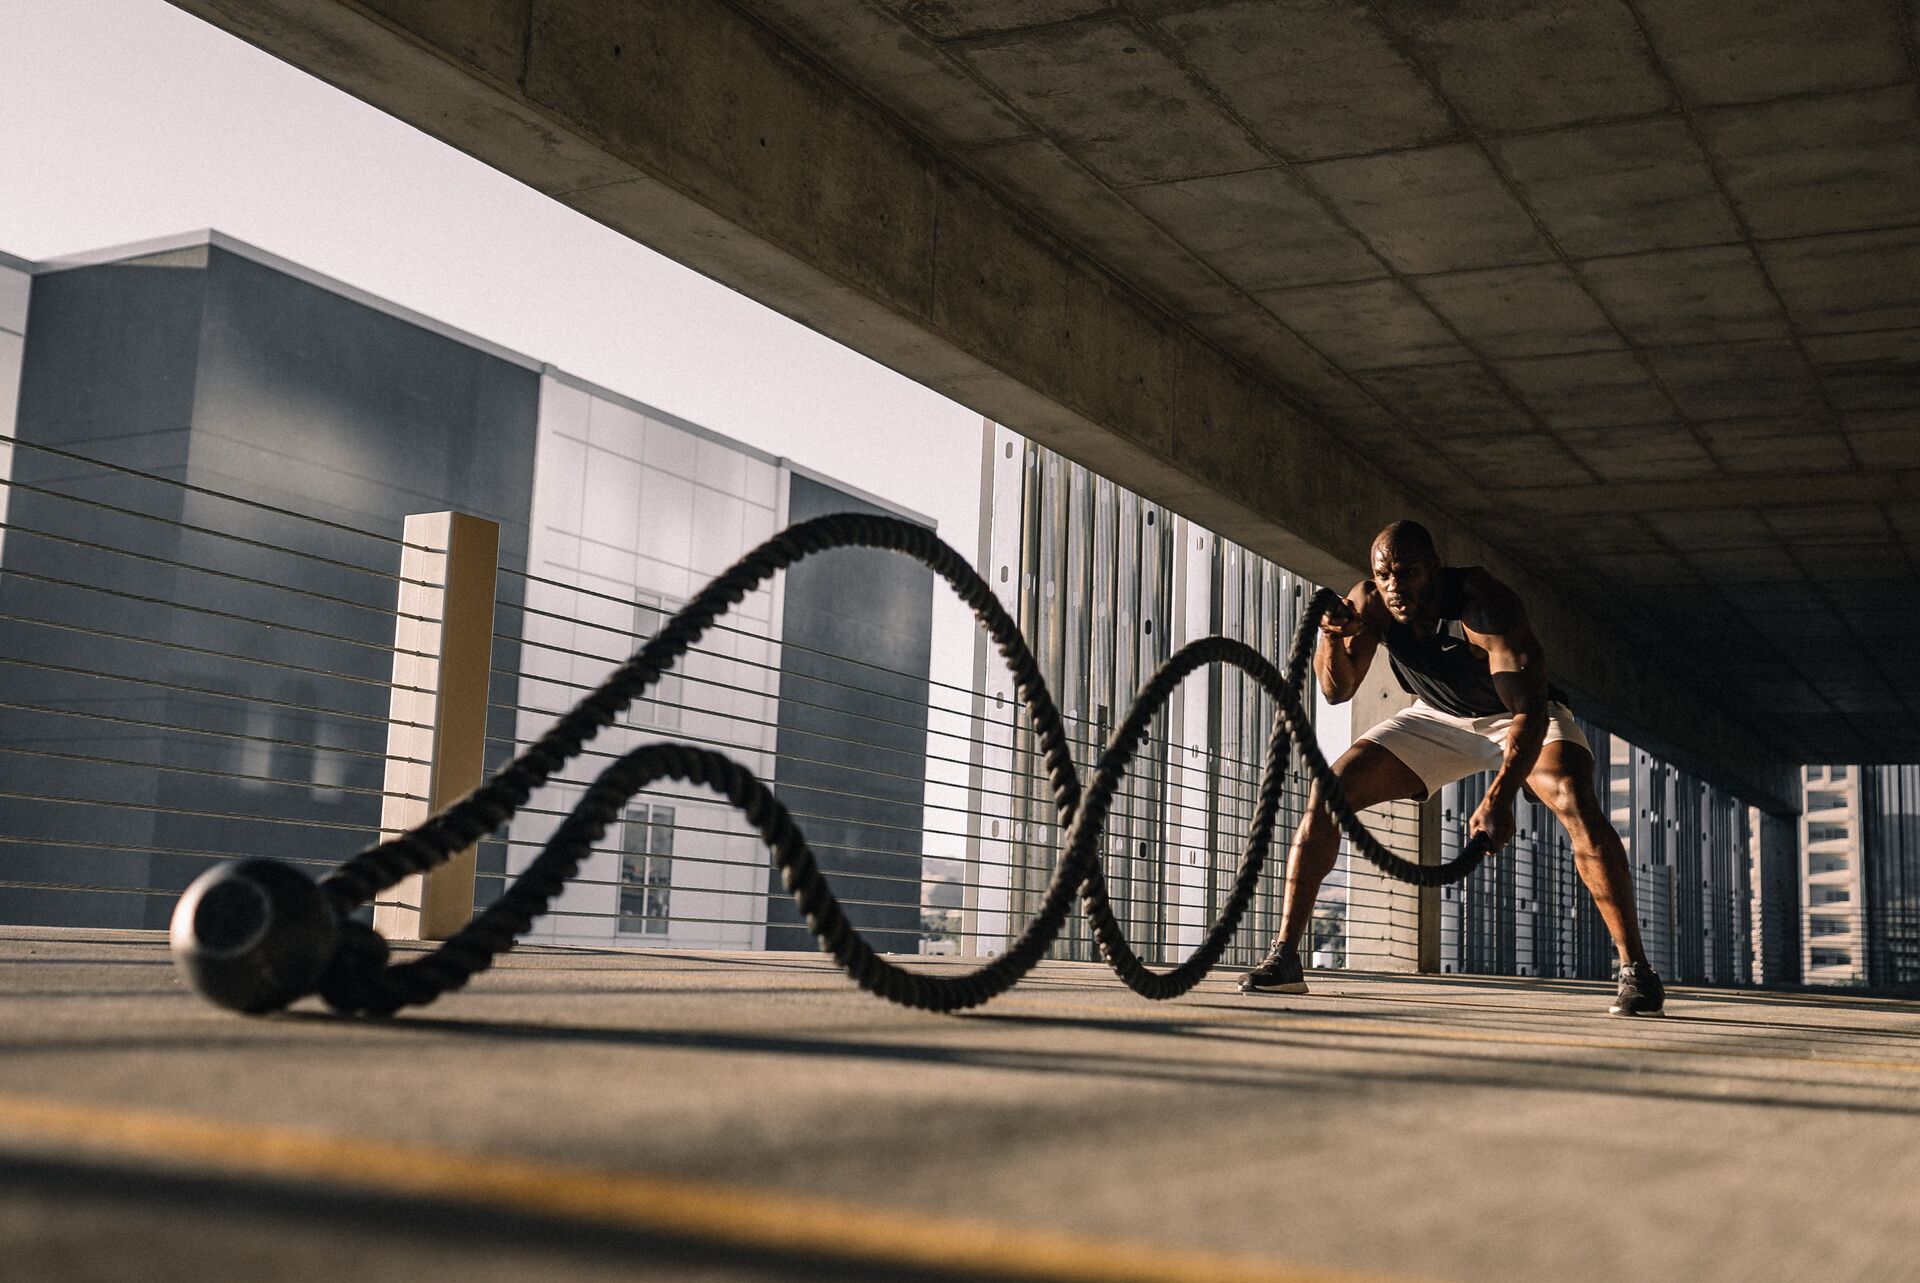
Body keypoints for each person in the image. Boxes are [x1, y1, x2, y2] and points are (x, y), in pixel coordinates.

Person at [1240, 520, 1664, 1016]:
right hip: (1437, 717)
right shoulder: (1372, 601)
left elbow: (1527, 710)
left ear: (1434, 569)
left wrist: (1500, 796)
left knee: (1574, 798)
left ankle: (1636, 970)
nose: (1395, 586)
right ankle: (1286, 956)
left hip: (1518, 717)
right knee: (1329, 793)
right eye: (1384, 574)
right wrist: (1333, 637)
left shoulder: (1484, 603)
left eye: (1407, 572)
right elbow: (1337, 691)